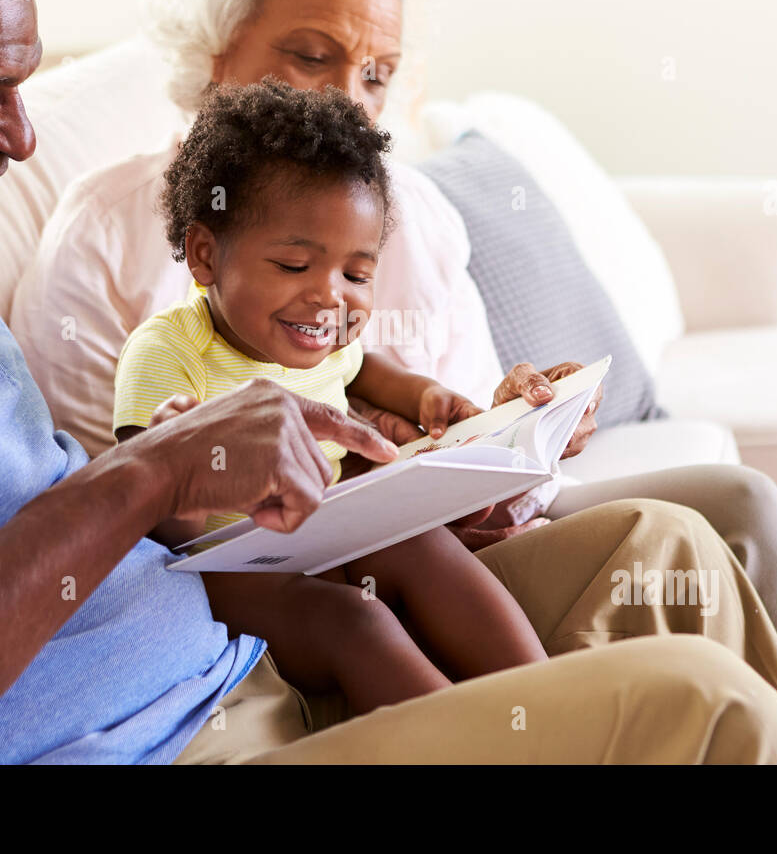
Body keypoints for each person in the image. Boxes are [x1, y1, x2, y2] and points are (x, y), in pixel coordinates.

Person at [0, 0, 777, 765]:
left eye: (26, 90)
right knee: (707, 706)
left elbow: (53, 498)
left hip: (256, 648)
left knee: (677, 549)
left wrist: (394, 481)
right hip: (170, 739)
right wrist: (147, 480)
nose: (19, 137)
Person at [8, 0, 777, 763]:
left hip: (414, 543)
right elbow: (114, 507)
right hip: (254, 586)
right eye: (311, 56)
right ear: (214, 53)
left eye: (375, 74)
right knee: (695, 535)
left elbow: (450, 442)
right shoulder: (105, 237)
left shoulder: (405, 217)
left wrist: (506, 431)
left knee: (731, 506)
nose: (347, 101)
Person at [115, 80, 549, 715]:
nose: (330, 297)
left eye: (356, 274)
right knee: (355, 621)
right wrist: (182, 463)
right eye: (294, 266)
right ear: (205, 254)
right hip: (231, 573)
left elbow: (361, 369)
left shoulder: (321, 338)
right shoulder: (167, 354)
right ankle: (472, 744)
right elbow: (158, 531)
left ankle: (552, 706)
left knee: (421, 541)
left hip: (326, 537)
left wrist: (426, 395)